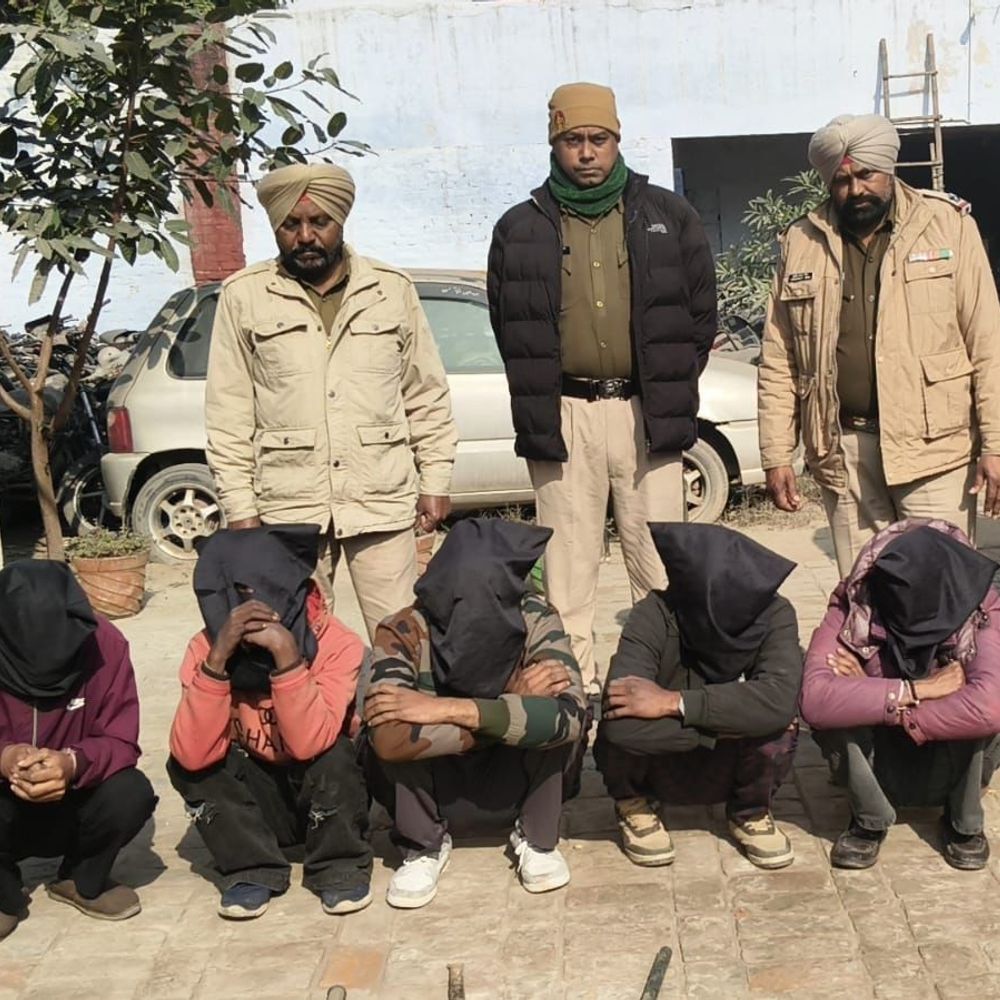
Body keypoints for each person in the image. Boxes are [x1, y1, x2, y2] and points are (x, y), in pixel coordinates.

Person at [487, 83, 717, 695]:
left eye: (598, 139)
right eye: (572, 140)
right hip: (563, 414)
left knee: (658, 561)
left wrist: (663, 386)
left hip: (647, 412)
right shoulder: (518, 228)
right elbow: (508, 326)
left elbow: (700, 319)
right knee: (566, 569)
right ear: (554, 143)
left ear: (617, 140)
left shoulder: (670, 216)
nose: (586, 152)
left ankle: (655, 689)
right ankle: (572, 696)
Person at [205, 162, 458, 640]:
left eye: (319, 222)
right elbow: (228, 413)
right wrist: (240, 506)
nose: (305, 236)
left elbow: (425, 393)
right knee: (294, 643)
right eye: (291, 224)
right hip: (288, 507)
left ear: (340, 221)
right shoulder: (245, 296)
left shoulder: (390, 289)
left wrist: (436, 479)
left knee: (401, 640)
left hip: (380, 497)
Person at [758, 113, 1000, 577]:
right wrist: (776, 454)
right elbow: (778, 358)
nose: (856, 190)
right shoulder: (801, 241)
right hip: (844, 453)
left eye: (867, 175)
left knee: (938, 591)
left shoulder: (946, 225)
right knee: (864, 594)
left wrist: (994, 444)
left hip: (935, 451)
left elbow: (987, 342)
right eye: (842, 180)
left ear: (888, 168)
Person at [361, 518, 589, 908]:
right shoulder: (403, 629)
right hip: (436, 785)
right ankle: (423, 845)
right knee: (377, 738)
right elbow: (388, 737)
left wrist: (446, 709)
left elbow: (569, 717)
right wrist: (509, 709)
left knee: (554, 727)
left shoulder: (534, 616)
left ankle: (536, 839)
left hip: (514, 778)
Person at [167, 525, 373, 920]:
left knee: (334, 751)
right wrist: (217, 660)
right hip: (258, 801)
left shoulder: (336, 642)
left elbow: (310, 743)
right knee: (185, 759)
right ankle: (251, 867)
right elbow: (191, 754)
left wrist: (287, 656)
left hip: (323, 799)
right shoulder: (204, 647)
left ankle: (339, 865)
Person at [595, 523, 802, 870]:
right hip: (659, 763)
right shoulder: (653, 613)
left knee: (780, 729)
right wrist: (739, 721)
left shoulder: (773, 612)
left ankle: (750, 810)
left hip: (712, 757)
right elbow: (621, 724)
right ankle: (634, 803)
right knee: (616, 729)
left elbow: (778, 701)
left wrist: (675, 703)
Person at [800, 518, 1000, 870]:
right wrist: (913, 690)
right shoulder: (856, 599)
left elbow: (987, 705)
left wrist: (875, 697)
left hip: (948, 748)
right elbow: (815, 699)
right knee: (835, 719)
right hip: (879, 757)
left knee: (979, 717)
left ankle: (963, 822)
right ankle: (869, 819)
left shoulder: (980, 603)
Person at [0, 561, 156, 940]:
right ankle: (4, 894)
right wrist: (5, 757)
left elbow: (121, 740)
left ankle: (79, 877)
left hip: (75, 800)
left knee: (131, 791)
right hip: (5, 803)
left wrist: (72, 763)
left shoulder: (104, 643)